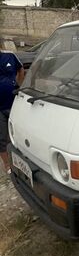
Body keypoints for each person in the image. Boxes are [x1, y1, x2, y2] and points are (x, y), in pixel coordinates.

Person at [0, 38, 24, 172]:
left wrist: (18, 85)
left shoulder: (9, 56)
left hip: (14, 103)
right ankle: (8, 165)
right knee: (1, 138)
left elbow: (21, 70)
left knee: (20, 133)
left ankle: (24, 160)